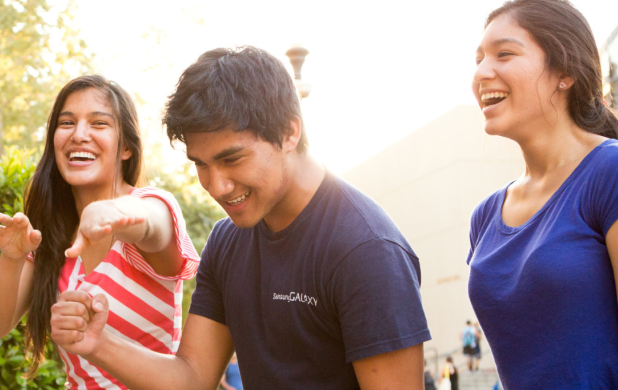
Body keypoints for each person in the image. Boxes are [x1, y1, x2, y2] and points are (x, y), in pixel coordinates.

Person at [49, 46, 430, 388]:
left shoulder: (367, 250)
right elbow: (193, 378)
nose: (216, 186)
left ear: (289, 132)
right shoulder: (227, 241)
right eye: (201, 165)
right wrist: (99, 342)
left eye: (231, 159)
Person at [465, 0, 618, 388]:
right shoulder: (486, 216)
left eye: (504, 54)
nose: (481, 72)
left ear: (564, 71)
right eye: (478, 59)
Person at [0, 74, 200, 389]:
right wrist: (12, 259)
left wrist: (112, 211)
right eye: (66, 123)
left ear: (126, 147)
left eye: (98, 124)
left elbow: (154, 223)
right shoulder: (53, 237)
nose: (79, 134)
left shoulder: (150, 207)